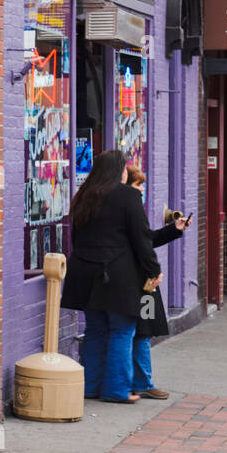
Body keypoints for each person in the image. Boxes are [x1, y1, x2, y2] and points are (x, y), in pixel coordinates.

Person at [60, 150, 160, 403]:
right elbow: (142, 238)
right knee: (122, 330)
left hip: (84, 272)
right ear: (118, 172)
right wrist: (153, 270)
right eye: (125, 169)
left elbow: (76, 238)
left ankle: (90, 386)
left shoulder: (82, 196)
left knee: (95, 330)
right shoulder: (128, 196)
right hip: (117, 275)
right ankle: (116, 389)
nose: (127, 173)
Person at [123, 165, 189, 399]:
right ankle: (141, 382)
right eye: (138, 185)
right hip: (142, 283)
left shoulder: (132, 211)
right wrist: (154, 272)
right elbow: (143, 246)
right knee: (141, 330)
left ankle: (141, 381)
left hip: (145, 282)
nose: (142, 189)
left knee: (145, 328)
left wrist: (173, 229)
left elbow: (148, 239)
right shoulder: (129, 211)